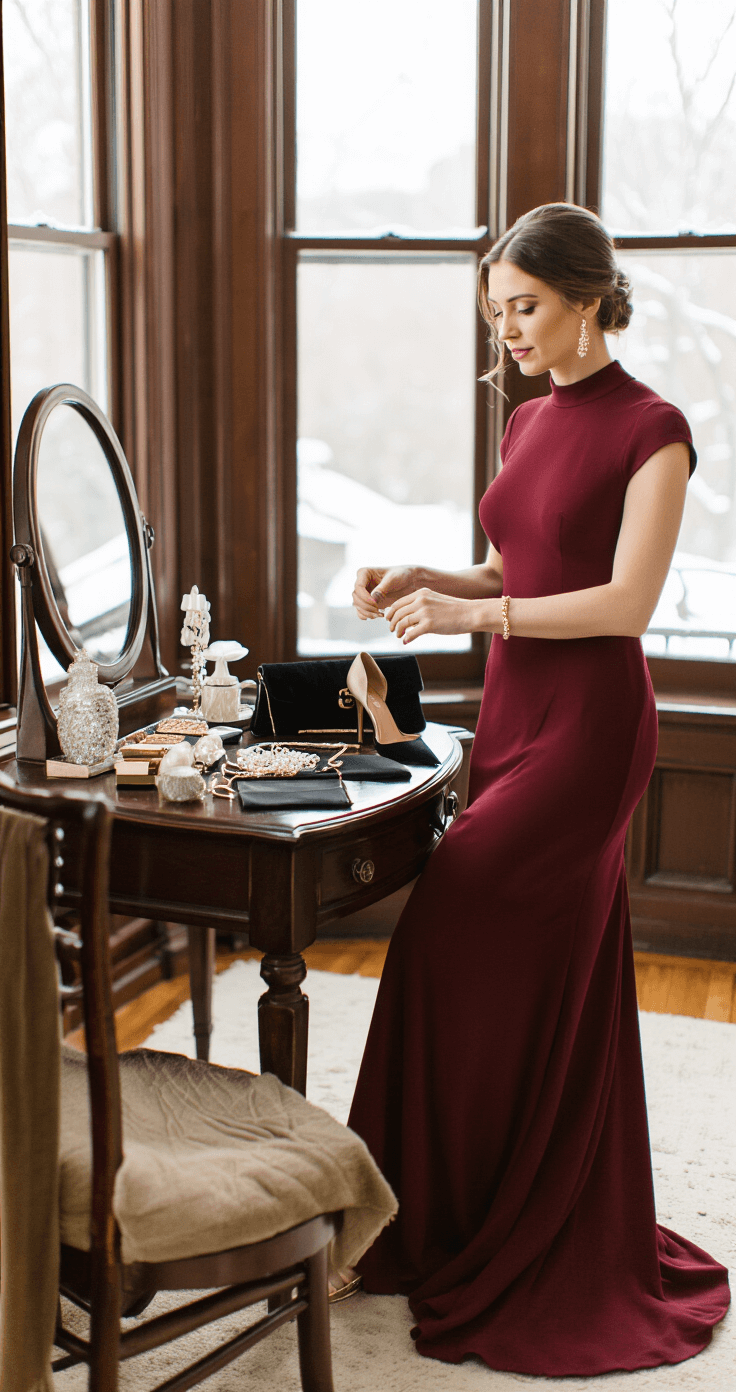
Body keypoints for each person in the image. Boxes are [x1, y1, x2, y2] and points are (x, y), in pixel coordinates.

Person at [343, 203, 730, 1376]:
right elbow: (518, 560)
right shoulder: (526, 419)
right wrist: (431, 574)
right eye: (495, 311)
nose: (506, 330)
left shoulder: (653, 428)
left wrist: (474, 614)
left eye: (523, 307)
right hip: (515, 714)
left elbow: (622, 602)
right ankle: (435, 1211)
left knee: (456, 926)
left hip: (588, 731)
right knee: (466, 956)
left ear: (587, 298)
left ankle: (512, 1218)